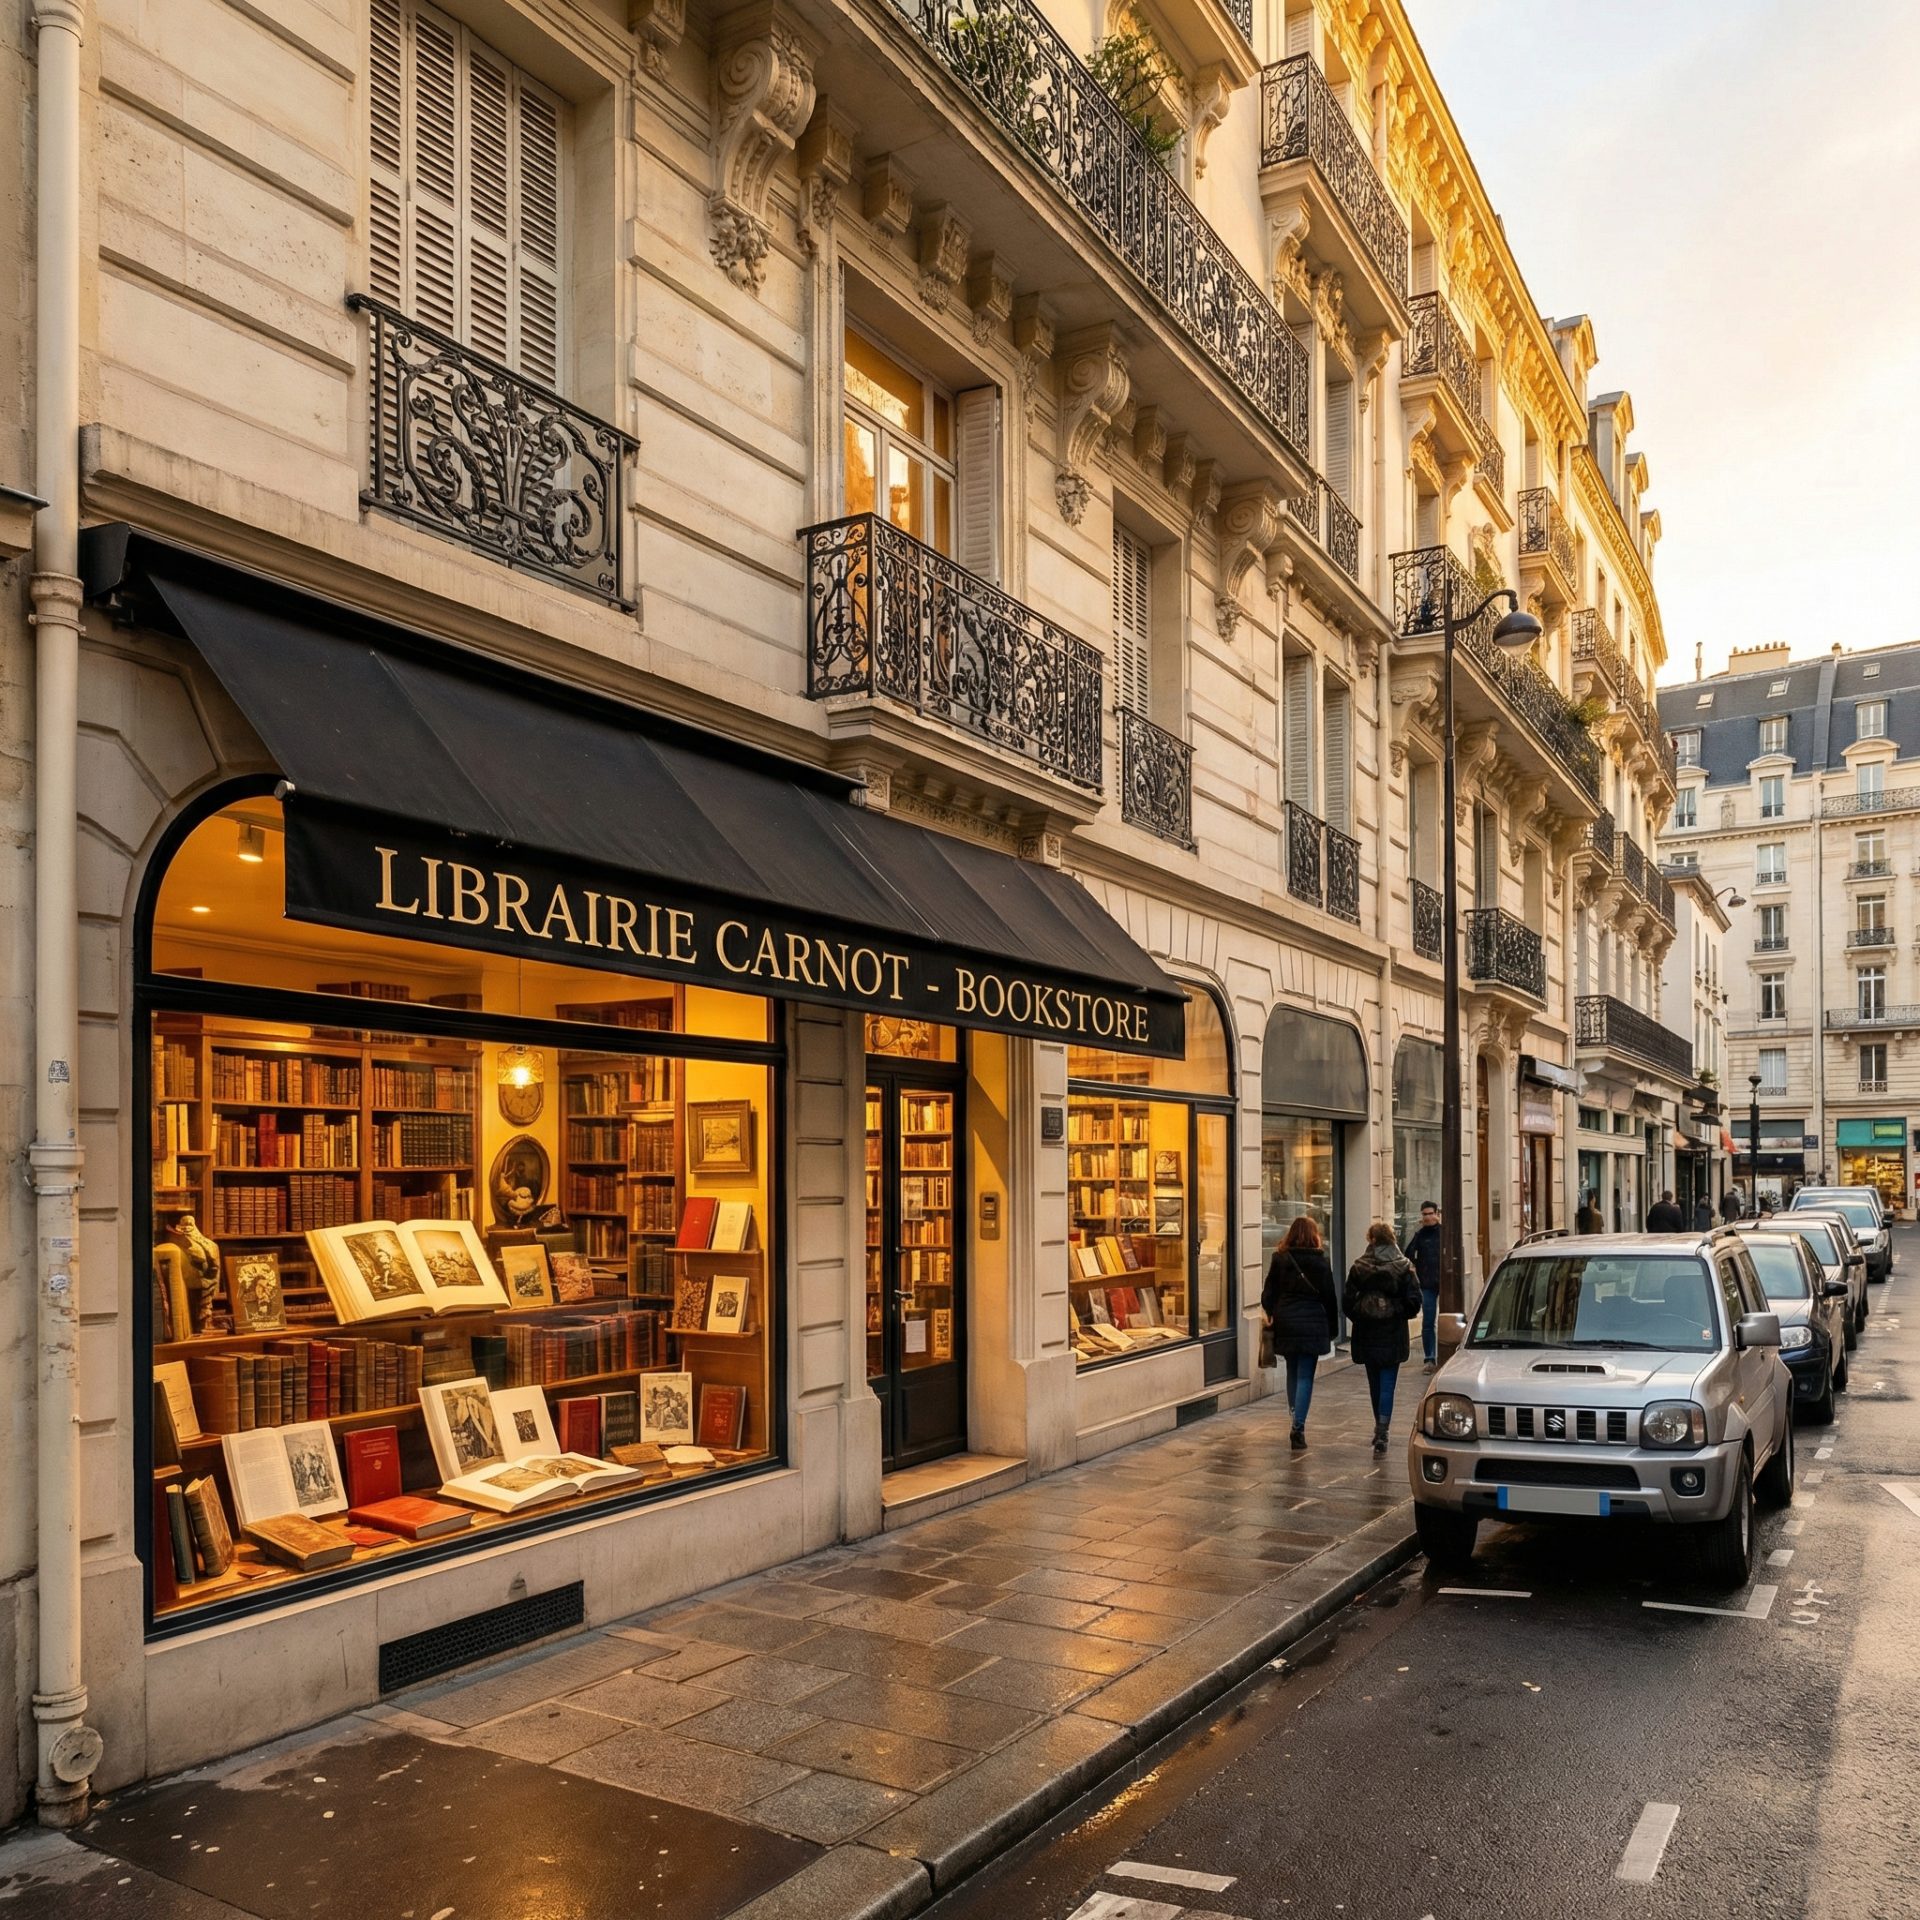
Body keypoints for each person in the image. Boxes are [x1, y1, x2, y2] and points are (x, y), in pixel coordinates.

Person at [1344, 1223, 1423, 1454]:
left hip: (1367, 1332)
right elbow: (1414, 1302)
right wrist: (1394, 1310)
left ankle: (1379, 1426)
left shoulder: (1360, 1266)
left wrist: (1364, 1312)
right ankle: (1383, 1429)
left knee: (1374, 1384)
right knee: (1388, 1383)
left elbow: (1348, 1302)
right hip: (1393, 1333)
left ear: (1372, 1240)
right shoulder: (1404, 1266)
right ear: (1392, 1238)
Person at [1262, 1215, 1339, 1452]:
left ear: (1290, 1234)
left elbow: (1267, 1294)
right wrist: (1332, 1329)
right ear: (1315, 1235)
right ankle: (1298, 1426)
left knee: (1292, 1372)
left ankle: (1294, 1415)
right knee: (1306, 1375)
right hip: (1313, 1323)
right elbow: (1329, 1298)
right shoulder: (1321, 1262)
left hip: (1286, 1321)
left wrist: (1274, 1311)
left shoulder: (1280, 1258)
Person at [1406, 1201, 1443, 1370]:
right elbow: (1408, 1255)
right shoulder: (1419, 1235)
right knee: (1428, 1322)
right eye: (1424, 1214)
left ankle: (1447, 1355)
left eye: (1430, 1213)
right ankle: (1429, 1358)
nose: (1427, 1217)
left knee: (1448, 1320)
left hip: (1445, 1282)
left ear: (1437, 1214)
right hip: (1427, 1284)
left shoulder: (1444, 1233)